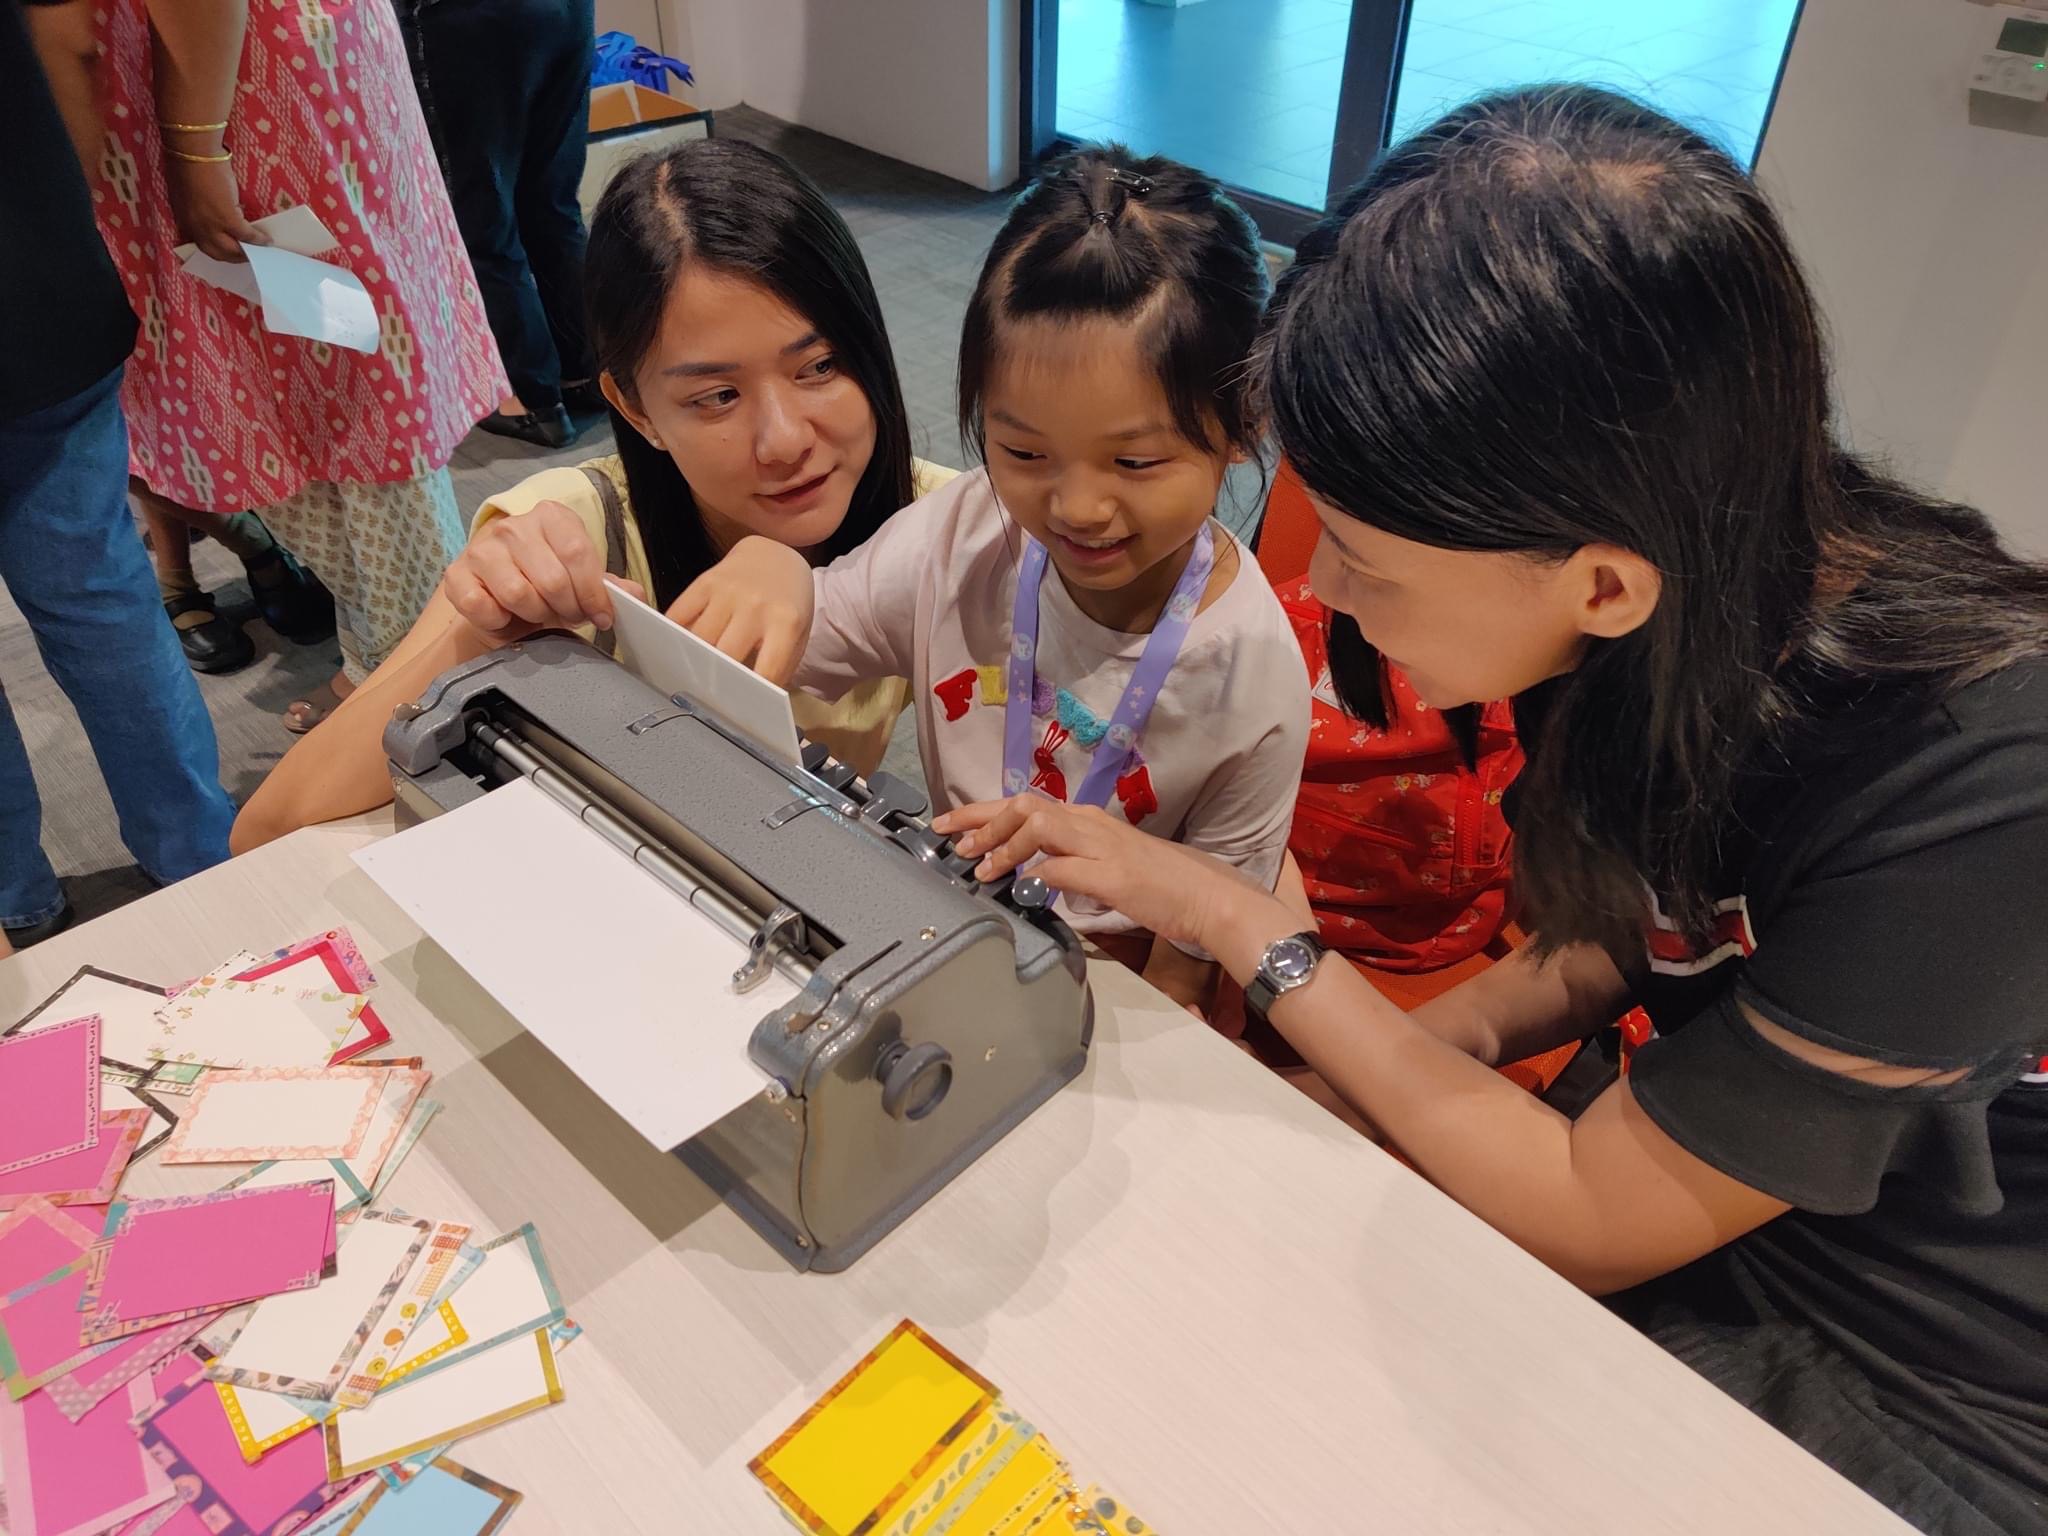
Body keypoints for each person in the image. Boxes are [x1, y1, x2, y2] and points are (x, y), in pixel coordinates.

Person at [938, 90, 2048, 1535]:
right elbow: (1655, 930)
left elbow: (1593, 1214)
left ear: (1600, 580)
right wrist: (1414, 1049)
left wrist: (1245, 932)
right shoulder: (1675, 575)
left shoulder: (1978, 777)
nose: (1320, 592)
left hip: (1928, 1351)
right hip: (1704, 1163)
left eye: (1360, 559)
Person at [681, 147, 1310, 1010]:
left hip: (1116, 989)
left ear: (1242, 423)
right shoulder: (964, 533)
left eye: (1134, 459)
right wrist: (772, 572)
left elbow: (1197, 951)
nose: (1077, 507)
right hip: (946, 928)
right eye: (1022, 451)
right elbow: (795, 640)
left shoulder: (1252, 674)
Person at [230, 137, 950, 849]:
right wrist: (482, 635)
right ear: (636, 410)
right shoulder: (570, 534)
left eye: (819, 365)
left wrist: (802, 578)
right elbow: (268, 831)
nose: (785, 439)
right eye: (719, 395)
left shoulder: (948, 527)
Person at [92, 0, 508, 729]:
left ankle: (426, 672)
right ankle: (396, 655)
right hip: (238, 71)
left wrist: (196, 149)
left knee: (344, 383)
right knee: (308, 388)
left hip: (238, 86)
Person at [2, 0, 234, 947]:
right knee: (105, 600)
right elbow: (73, 43)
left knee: (104, 602)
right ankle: (201, 863)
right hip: (41, 283)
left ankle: (18, 902)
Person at [399, 0, 599, 449]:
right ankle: (585, 374)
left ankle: (528, 399)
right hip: (565, 10)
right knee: (551, 200)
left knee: (480, 215)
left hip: (466, 19)